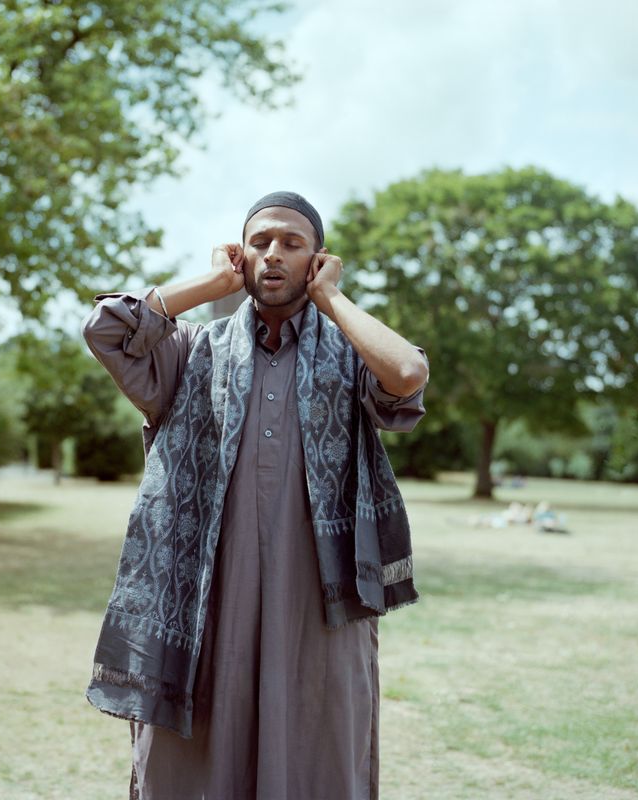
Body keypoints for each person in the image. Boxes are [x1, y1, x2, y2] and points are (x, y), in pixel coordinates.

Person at [82, 191, 429, 800]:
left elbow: (406, 374)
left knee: (319, 745)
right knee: (192, 759)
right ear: (239, 254)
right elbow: (106, 329)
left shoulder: (349, 354)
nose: (273, 254)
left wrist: (331, 298)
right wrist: (212, 284)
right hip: (203, 595)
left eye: (292, 244)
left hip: (319, 599)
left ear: (317, 260)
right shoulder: (191, 351)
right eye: (260, 241)